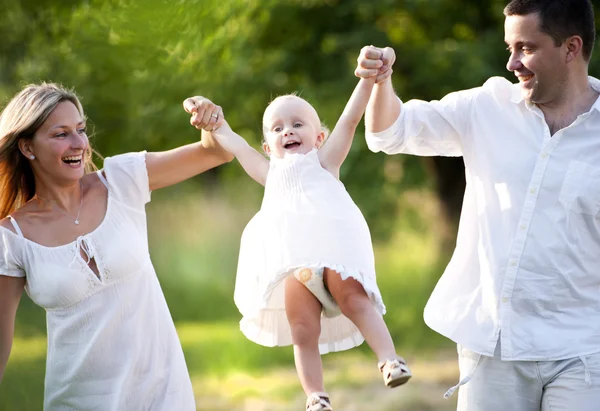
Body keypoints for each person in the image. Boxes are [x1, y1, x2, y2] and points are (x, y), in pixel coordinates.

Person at [355, 0, 600, 410]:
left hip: (582, 349)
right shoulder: (486, 107)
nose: (512, 63)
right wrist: (382, 82)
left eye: (526, 48)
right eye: (509, 47)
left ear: (571, 48)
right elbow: (389, 132)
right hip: (494, 344)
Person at [0, 82, 233, 410]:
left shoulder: (123, 179)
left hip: (163, 394)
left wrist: (210, 120)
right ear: (27, 147)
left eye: (80, 130)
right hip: (76, 401)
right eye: (61, 134)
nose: (79, 143)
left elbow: (216, 151)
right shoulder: (12, 237)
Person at [200, 77, 411, 411]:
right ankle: (316, 395)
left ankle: (389, 360)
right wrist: (215, 122)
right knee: (302, 330)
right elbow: (237, 145)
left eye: (298, 124)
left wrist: (367, 79)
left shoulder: (325, 162)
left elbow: (350, 118)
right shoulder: (269, 173)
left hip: (332, 258)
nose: (288, 132)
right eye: (277, 128)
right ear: (268, 147)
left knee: (356, 300)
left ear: (319, 137)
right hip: (294, 267)